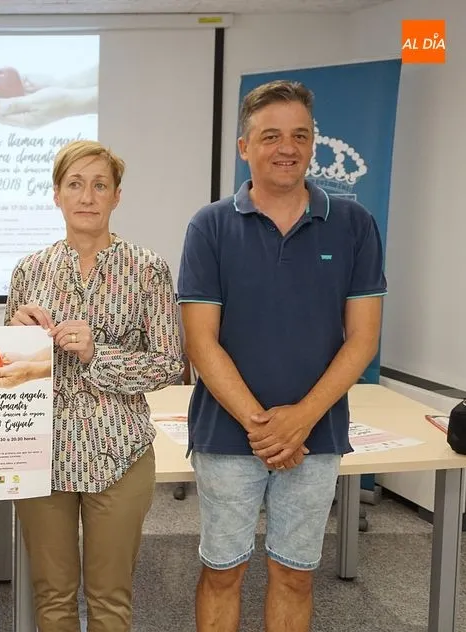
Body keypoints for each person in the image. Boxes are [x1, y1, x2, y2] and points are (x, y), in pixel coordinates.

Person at [176, 79, 387, 632]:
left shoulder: (354, 225)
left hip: (315, 437)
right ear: (244, 146)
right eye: (270, 135)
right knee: (223, 573)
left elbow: (362, 339)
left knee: (294, 575)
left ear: (314, 143)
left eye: (300, 134)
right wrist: (265, 426)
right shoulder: (211, 225)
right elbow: (200, 341)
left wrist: (300, 422)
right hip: (227, 434)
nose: (286, 147)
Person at [2, 139, 185, 632]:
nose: (87, 196)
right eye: (75, 184)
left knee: (110, 598)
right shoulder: (29, 270)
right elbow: (7, 378)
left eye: (99, 185)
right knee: (53, 596)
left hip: (119, 451)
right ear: (57, 195)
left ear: (116, 196)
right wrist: (16, 333)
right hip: (43, 450)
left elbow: (170, 364)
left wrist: (95, 353)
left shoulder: (148, 269)